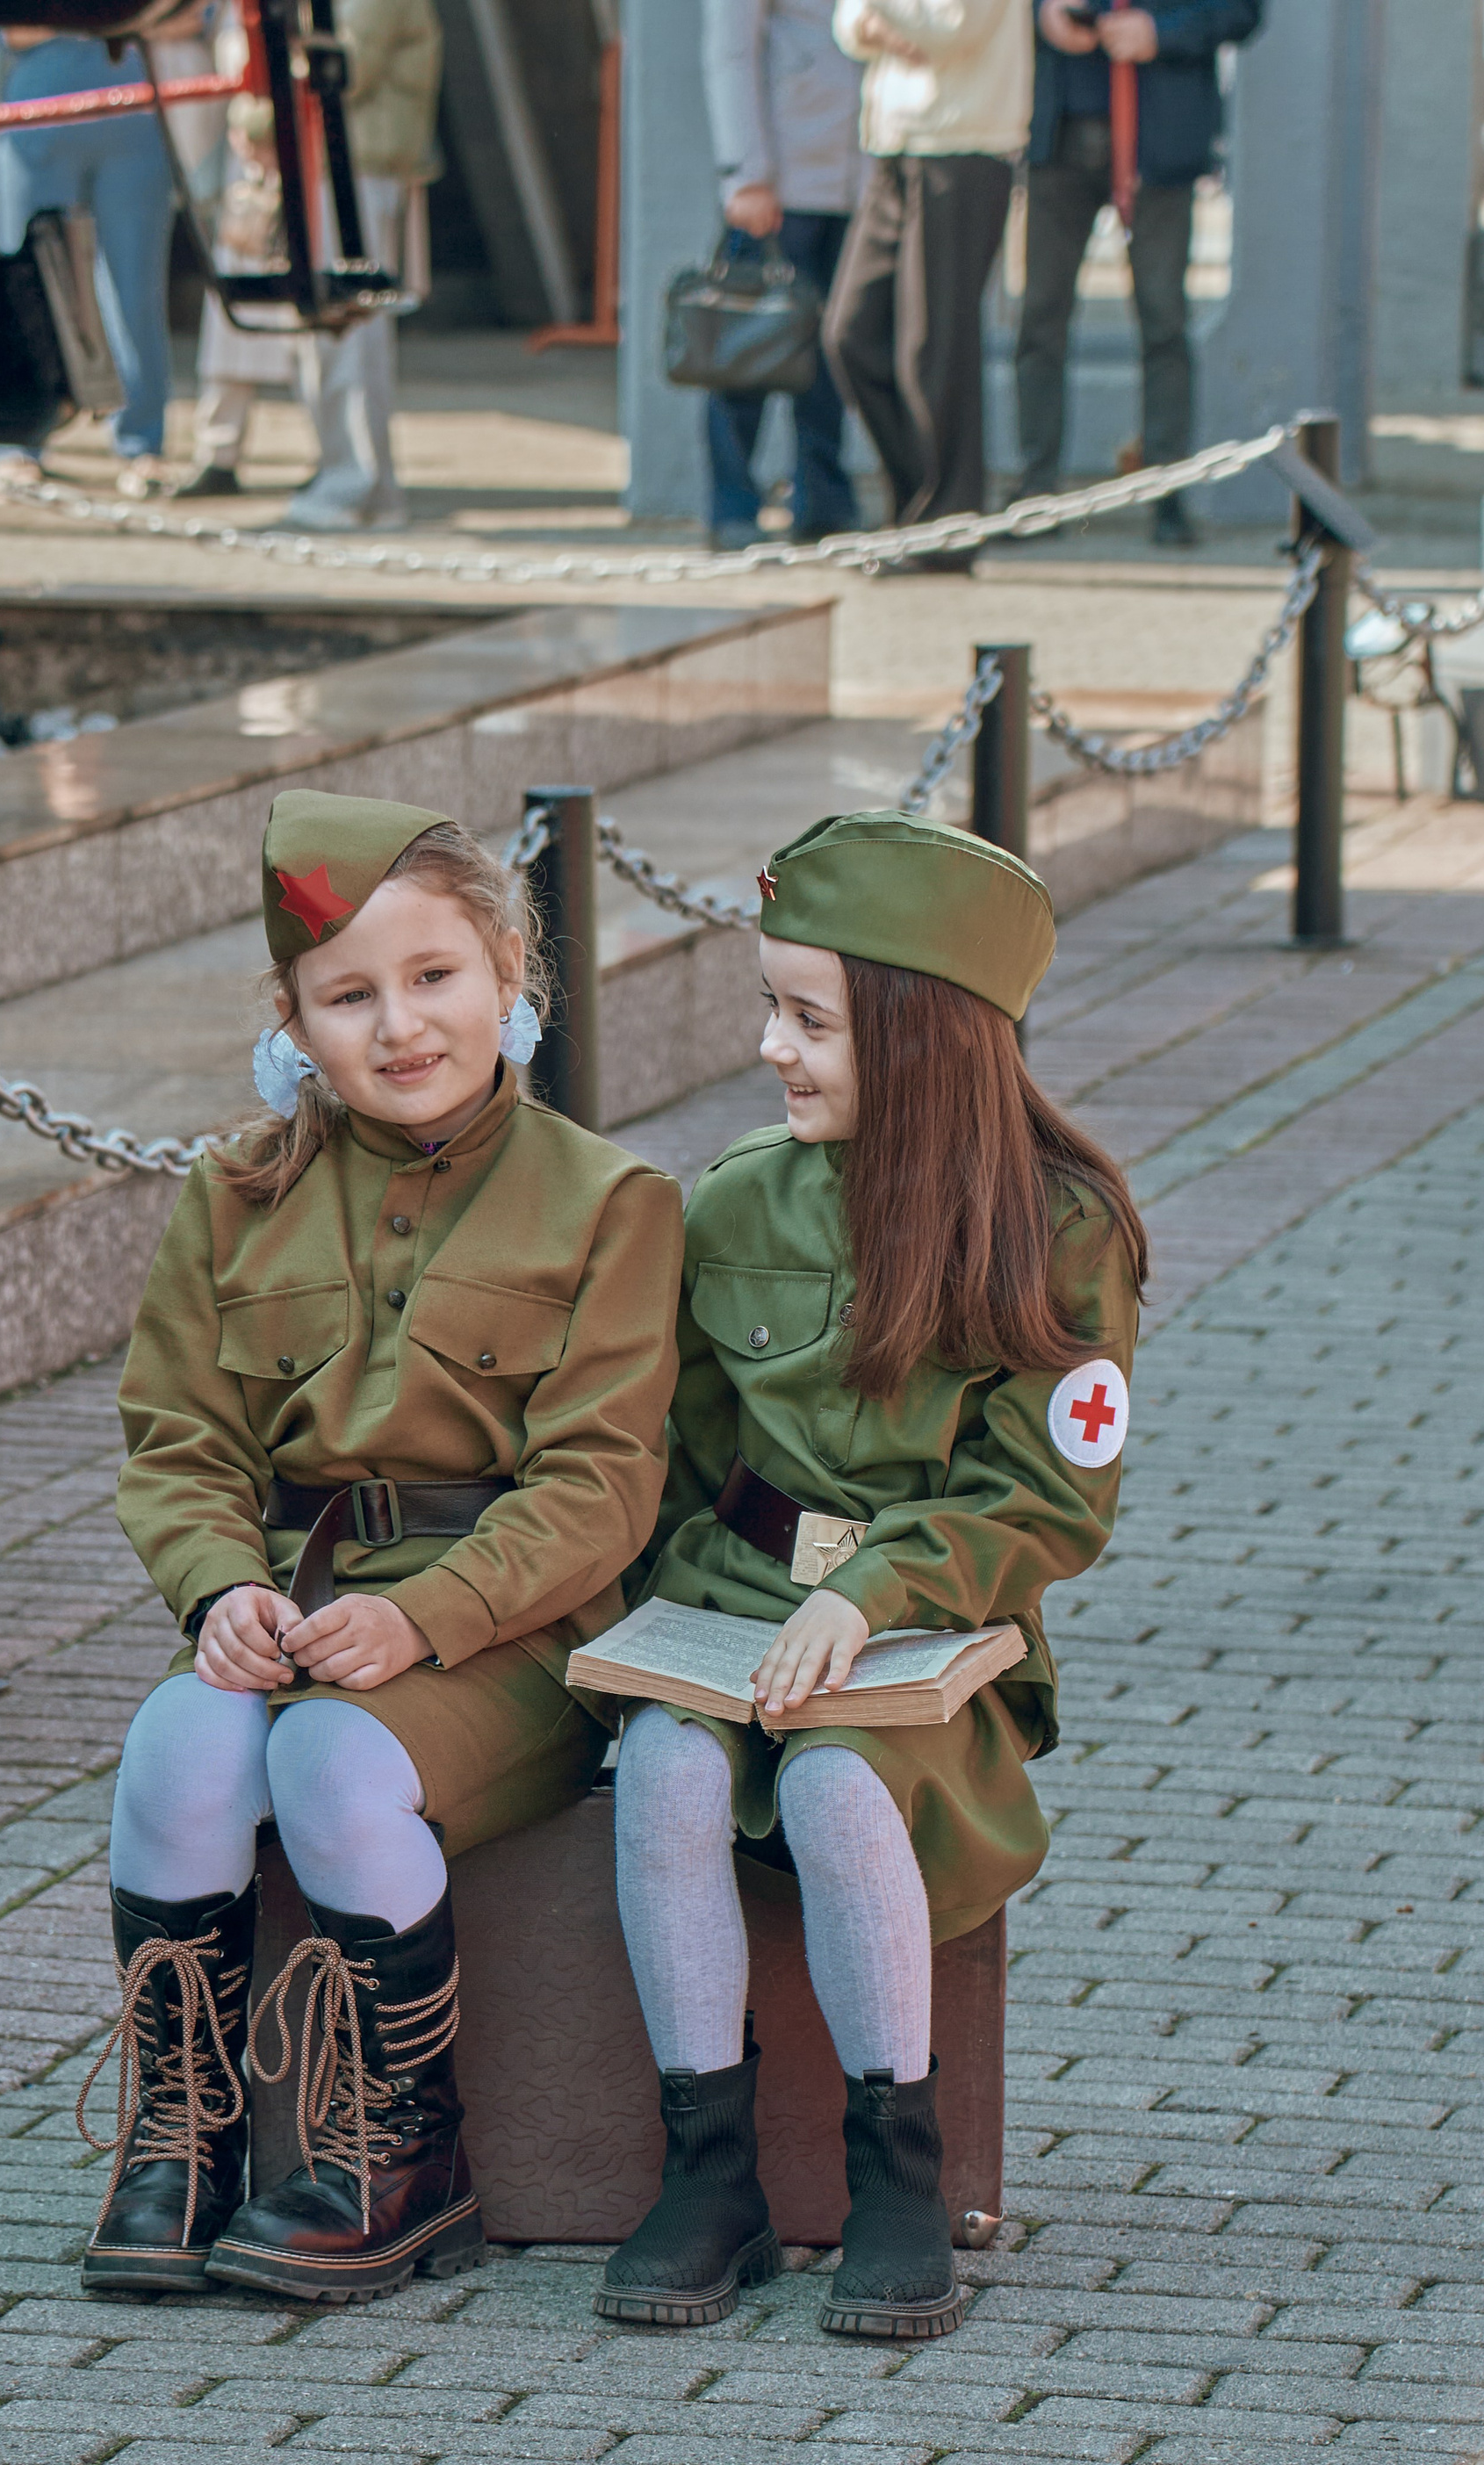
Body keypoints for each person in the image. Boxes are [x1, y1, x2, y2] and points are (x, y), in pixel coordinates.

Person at [80, 789, 683, 2303]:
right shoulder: (233, 1197)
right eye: (348, 996)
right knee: (178, 1752)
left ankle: (402, 2156)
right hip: (292, 1611)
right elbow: (183, 1442)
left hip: (513, 1643)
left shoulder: (611, 1203)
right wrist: (219, 1587)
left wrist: (422, 1620)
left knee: (332, 1761)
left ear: (510, 980)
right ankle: (189, 2134)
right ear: (293, 1020)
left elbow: (600, 1489)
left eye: (436, 979)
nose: (400, 1026)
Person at [596, 811, 1145, 2339]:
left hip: (927, 1647)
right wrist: (629, 1634)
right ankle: (706, 2174)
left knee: (840, 1786)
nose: (773, 1046)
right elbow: (673, 1460)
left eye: (811, 1018)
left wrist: (877, 1591)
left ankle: (897, 2163)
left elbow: (1049, 1496)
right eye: (769, 1006)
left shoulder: (1060, 1232)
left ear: (921, 1037)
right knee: (662, 1772)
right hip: (732, 1605)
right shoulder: (729, 1204)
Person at [1015, 0, 1264, 548]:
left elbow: (1243, 11)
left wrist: (1160, 32)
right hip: (1060, 133)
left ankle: (1166, 493)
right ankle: (1036, 491)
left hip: (1158, 137)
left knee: (1163, 323)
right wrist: (1045, 15)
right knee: (1040, 318)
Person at [824, 0, 1033, 570]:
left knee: (933, 349)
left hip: (964, 148)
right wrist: (877, 23)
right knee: (851, 333)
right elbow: (847, 26)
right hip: (893, 145)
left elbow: (952, 29)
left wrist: (878, 16)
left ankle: (946, 530)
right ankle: (914, 510)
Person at [700, 0, 865, 550]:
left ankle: (822, 502)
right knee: (745, 350)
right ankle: (732, 505)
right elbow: (730, 49)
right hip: (780, 179)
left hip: (859, 178)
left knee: (830, 354)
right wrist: (745, 173)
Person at [282, 0, 443, 531]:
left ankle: (355, 485)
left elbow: (345, 70)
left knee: (349, 333)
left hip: (357, 166)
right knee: (335, 335)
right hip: (338, 162)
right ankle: (364, 486)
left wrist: (258, 108)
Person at [0, 30, 177, 495]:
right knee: (27, 280)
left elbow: (189, 16)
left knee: (136, 287)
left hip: (131, 115)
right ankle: (18, 441)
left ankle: (142, 443)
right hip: (41, 114)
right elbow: (11, 29)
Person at [176, 95, 300, 497]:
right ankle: (218, 450)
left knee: (309, 320)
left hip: (292, 147)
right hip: (248, 163)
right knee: (230, 321)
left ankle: (336, 453)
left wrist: (259, 125)